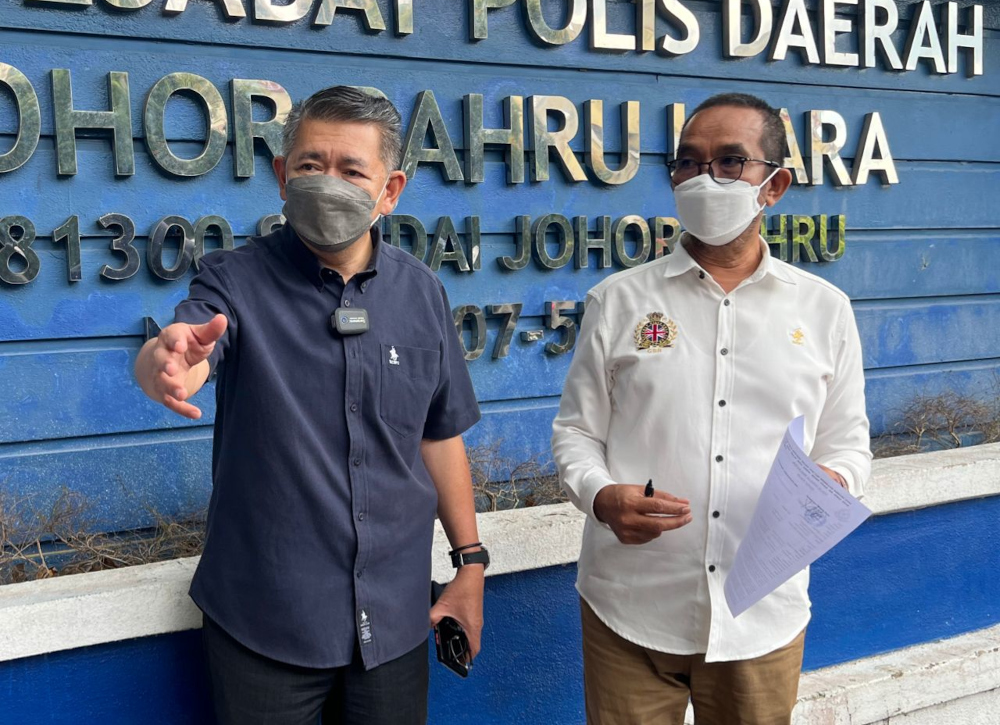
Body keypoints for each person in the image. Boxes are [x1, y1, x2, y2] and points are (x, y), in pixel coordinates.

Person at [134, 86, 489, 725]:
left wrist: (470, 564)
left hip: (395, 619)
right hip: (265, 622)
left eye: (352, 171)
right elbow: (187, 345)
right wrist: (168, 365)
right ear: (281, 175)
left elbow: (438, 436)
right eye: (310, 165)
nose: (328, 184)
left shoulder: (422, 294)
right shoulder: (231, 280)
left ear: (390, 190)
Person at [551, 92, 871, 725]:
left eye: (729, 162)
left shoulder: (824, 310)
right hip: (629, 607)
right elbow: (576, 433)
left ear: (774, 185)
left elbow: (849, 445)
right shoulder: (618, 301)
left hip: (761, 613)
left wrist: (830, 484)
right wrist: (600, 497)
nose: (705, 178)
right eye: (688, 162)